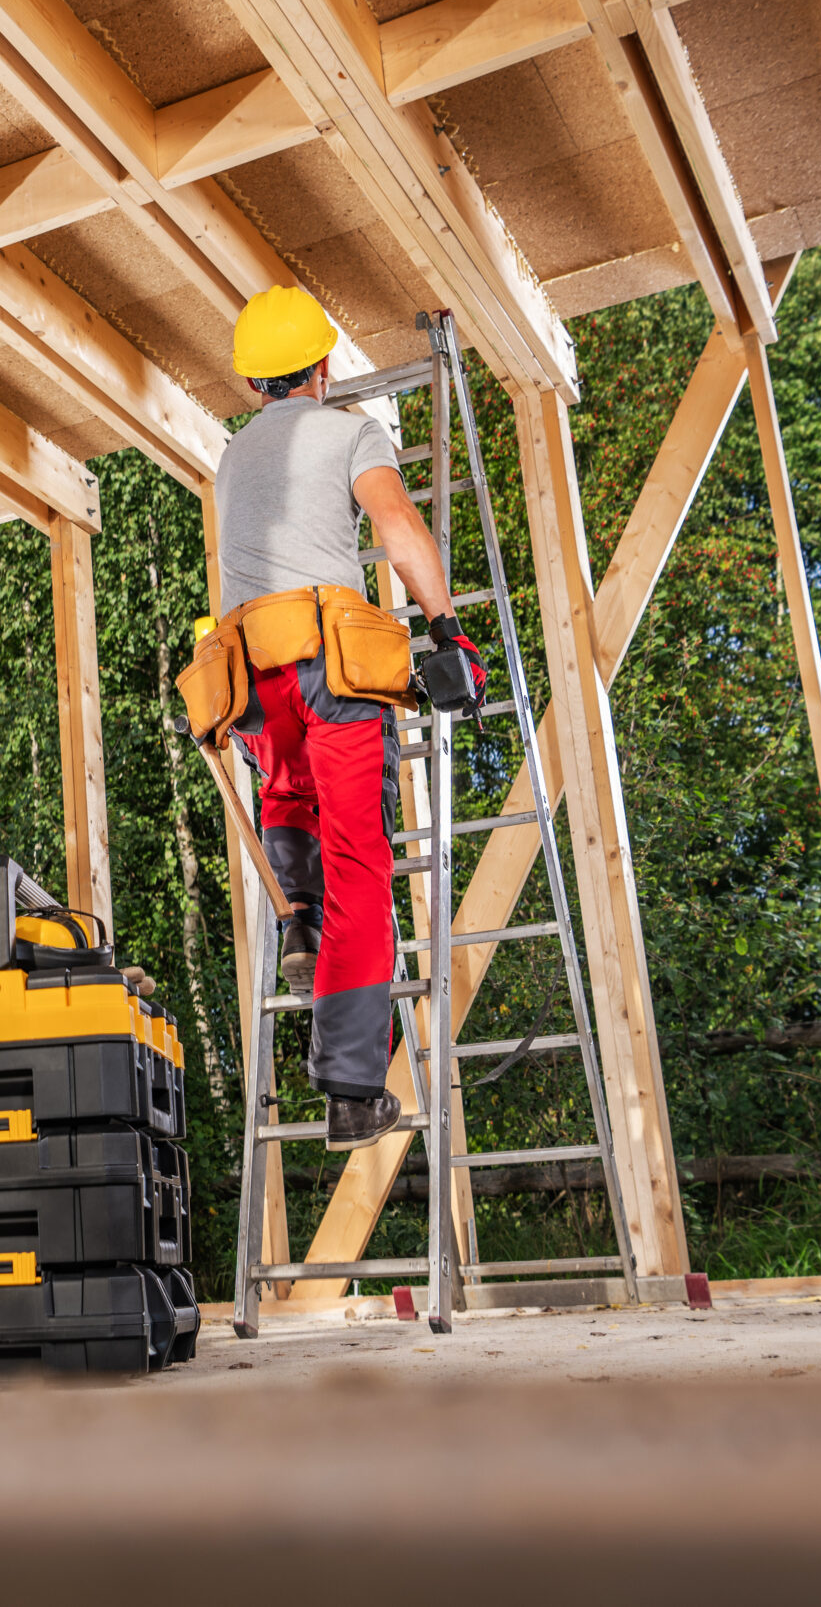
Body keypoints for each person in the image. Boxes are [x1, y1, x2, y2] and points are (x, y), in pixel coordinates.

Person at [214, 288, 488, 1151]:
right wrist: (445, 625)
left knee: (287, 791)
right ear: (322, 369)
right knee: (363, 863)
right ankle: (351, 1087)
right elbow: (398, 524)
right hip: (328, 665)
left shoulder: (229, 457)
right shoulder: (350, 430)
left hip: (250, 676)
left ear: (256, 382)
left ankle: (299, 915)